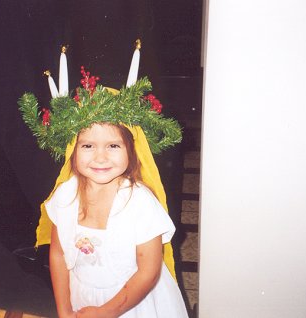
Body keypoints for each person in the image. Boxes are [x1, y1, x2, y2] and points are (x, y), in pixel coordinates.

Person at [18, 41, 188, 317]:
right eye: (87, 146)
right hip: (83, 295)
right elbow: (59, 256)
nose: (100, 157)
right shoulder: (64, 196)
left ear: (132, 152)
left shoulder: (140, 203)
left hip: (133, 304)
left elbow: (148, 271)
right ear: (72, 150)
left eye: (113, 146)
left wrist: (108, 311)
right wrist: (63, 310)